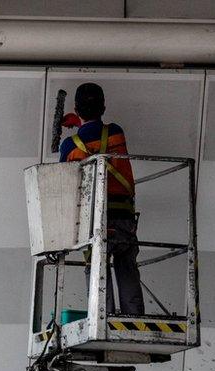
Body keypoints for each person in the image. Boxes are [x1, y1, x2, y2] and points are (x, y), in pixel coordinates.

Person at [59, 83, 145, 316]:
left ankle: (101, 316)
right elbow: (96, 131)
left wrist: (74, 125)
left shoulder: (69, 146)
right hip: (123, 216)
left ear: (76, 109)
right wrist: (79, 121)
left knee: (96, 265)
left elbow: (67, 183)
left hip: (94, 220)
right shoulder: (116, 132)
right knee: (126, 265)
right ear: (104, 107)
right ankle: (134, 317)